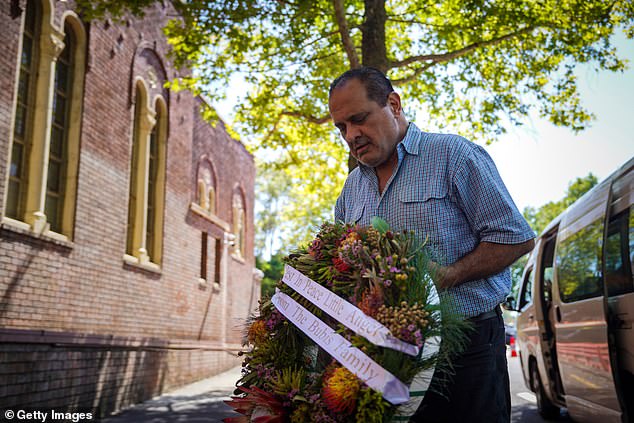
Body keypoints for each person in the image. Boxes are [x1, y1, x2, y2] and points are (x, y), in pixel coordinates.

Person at [329, 67, 535, 423]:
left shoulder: (454, 155)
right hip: (385, 357)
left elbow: (515, 238)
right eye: (341, 128)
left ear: (393, 104)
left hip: (468, 350)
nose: (351, 135)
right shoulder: (351, 189)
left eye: (358, 119)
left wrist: (448, 275)